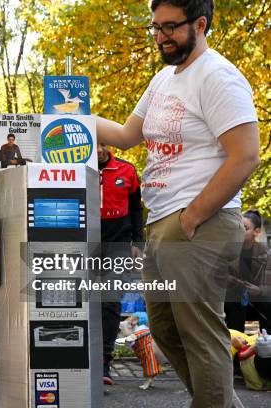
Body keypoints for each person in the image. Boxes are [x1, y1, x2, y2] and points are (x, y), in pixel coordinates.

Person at [94, 0, 259, 406]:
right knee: (165, 330)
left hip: (199, 222)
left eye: (170, 27)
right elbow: (128, 135)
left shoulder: (218, 77)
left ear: (199, 24)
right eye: (155, 27)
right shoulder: (163, 79)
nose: (161, 36)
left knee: (201, 335)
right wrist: (67, 115)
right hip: (164, 222)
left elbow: (246, 155)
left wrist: (193, 216)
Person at [97, 143, 144, 385]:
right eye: (93, 143)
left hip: (118, 245)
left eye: (102, 143)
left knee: (109, 301)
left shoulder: (126, 170)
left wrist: (138, 241)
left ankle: (104, 364)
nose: (98, 149)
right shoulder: (75, 168)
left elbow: (136, 208)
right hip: (85, 244)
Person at [225, 209, 271, 332]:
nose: (240, 231)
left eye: (245, 228)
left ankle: (266, 344)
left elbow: (268, 286)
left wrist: (259, 290)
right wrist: (228, 278)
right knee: (232, 299)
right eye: (238, 227)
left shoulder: (266, 253)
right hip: (235, 298)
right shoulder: (230, 249)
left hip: (257, 299)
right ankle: (234, 342)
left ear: (257, 232)